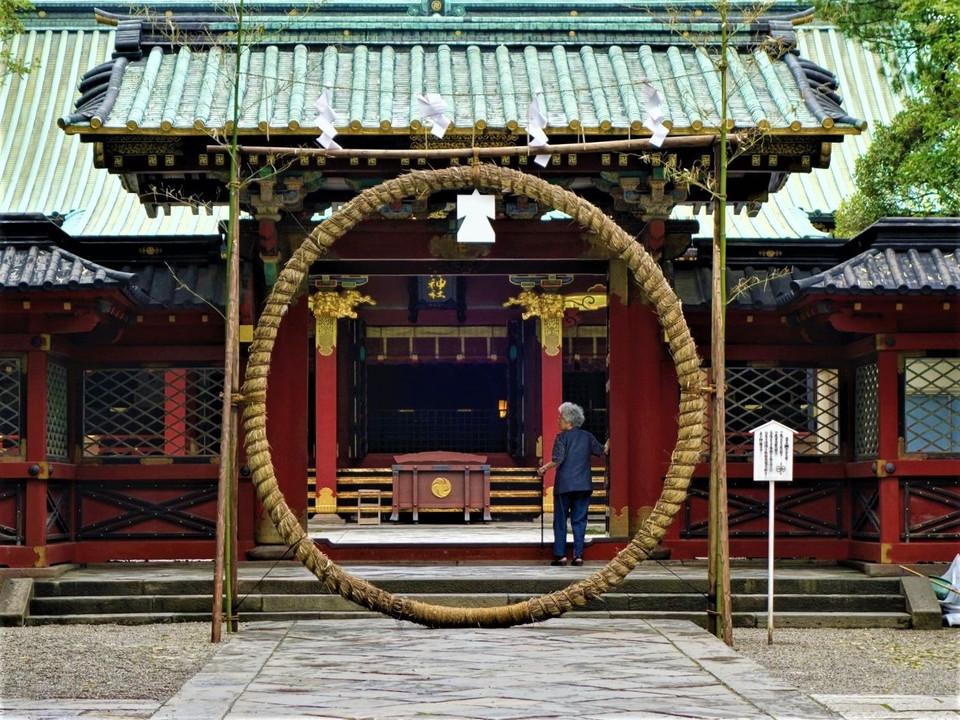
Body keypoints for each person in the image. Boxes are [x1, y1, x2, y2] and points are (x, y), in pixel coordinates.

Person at [537, 402, 609, 566]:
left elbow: (558, 459)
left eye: (560, 417)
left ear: (569, 421)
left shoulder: (561, 437)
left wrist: (543, 469)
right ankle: (578, 555)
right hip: (583, 485)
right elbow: (602, 450)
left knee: (561, 520)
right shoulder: (587, 436)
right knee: (580, 520)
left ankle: (561, 555)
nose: (558, 421)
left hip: (564, 486)